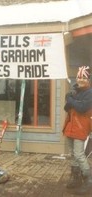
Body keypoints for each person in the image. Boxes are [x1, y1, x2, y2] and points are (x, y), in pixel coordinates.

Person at [63, 65, 92, 195]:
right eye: (79, 77)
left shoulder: (90, 93)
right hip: (70, 126)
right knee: (73, 154)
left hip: (81, 127)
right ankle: (76, 179)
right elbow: (66, 108)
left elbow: (82, 107)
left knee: (79, 155)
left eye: (84, 77)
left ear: (88, 79)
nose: (80, 79)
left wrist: (70, 98)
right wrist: (70, 97)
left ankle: (88, 180)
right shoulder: (75, 92)